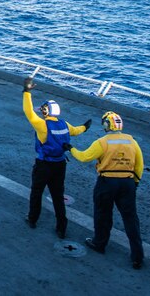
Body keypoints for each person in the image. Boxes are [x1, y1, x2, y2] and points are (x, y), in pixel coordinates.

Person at [64, 111, 145, 269]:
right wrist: (135, 182)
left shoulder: (102, 142)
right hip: (127, 183)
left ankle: (99, 243)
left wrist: (71, 148)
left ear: (106, 125)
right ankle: (138, 256)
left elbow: (83, 157)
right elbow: (139, 165)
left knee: (103, 214)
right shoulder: (132, 141)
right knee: (131, 220)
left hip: (107, 182)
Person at [22, 77, 90, 239]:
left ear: (46, 111)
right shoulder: (65, 125)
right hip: (60, 165)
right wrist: (86, 127)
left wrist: (27, 92)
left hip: (44, 165)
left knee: (36, 193)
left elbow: (29, 112)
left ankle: (32, 219)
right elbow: (77, 130)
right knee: (58, 197)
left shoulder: (43, 125)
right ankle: (61, 228)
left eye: (44, 109)